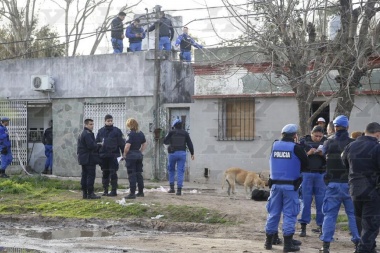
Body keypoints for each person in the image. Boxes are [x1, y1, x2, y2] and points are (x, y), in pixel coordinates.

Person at [319, 115, 360, 253]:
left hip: (332, 185)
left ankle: (325, 246)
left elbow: (322, 156)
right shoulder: (353, 143)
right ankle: (357, 243)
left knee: (330, 215)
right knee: (353, 215)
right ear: (347, 127)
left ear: (335, 127)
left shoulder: (328, 143)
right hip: (349, 185)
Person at [264, 124, 308, 252]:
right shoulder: (297, 148)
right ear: (295, 136)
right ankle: (288, 244)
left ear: (282, 135)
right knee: (290, 214)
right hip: (290, 187)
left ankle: (268, 242)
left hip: (275, 186)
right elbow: (306, 164)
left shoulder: (274, 145)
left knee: (273, 213)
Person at [342, 122, 380, 253]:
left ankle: (370, 249)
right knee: (371, 225)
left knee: (361, 223)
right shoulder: (377, 147)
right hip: (372, 190)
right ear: (378, 134)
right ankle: (363, 250)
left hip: (355, 189)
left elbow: (345, 164)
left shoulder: (350, 146)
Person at [298, 126, 327, 237]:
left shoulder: (326, 142)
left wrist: (323, 154)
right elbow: (298, 158)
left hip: (320, 174)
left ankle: (321, 226)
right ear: (311, 133)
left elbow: (332, 159)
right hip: (306, 174)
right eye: (316, 136)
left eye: (320, 136)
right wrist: (307, 154)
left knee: (321, 202)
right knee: (306, 201)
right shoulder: (303, 142)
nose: (318, 138)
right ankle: (303, 226)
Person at [96, 114, 125, 197]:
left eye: (111, 121)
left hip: (114, 156)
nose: (110, 122)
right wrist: (97, 155)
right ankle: (105, 190)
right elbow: (97, 143)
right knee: (105, 173)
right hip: (104, 156)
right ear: (105, 121)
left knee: (113, 173)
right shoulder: (101, 131)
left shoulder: (117, 131)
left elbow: (121, 143)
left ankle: (113, 190)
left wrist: (123, 153)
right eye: (108, 121)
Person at [163, 118, 194, 196]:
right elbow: (190, 144)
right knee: (180, 171)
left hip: (172, 154)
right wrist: (192, 153)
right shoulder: (185, 133)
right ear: (181, 125)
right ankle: (179, 190)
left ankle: (172, 188)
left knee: (171, 170)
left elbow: (165, 141)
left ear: (174, 126)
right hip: (182, 154)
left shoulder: (171, 132)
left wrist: (170, 139)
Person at [77, 119, 102, 199]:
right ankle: (90, 193)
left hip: (83, 158)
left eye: (92, 124)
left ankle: (85, 193)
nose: (92, 126)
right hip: (89, 158)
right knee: (90, 176)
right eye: (90, 124)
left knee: (84, 175)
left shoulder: (82, 133)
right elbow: (91, 146)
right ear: (86, 125)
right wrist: (99, 145)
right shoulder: (87, 134)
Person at [123, 118, 147, 199]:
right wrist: (140, 151)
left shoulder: (130, 134)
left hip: (131, 156)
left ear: (129, 125)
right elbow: (144, 144)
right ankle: (141, 192)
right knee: (139, 174)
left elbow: (127, 146)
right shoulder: (140, 133)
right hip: (138, 155)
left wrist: (124, 154)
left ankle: (132, 193)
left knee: (132, 174)